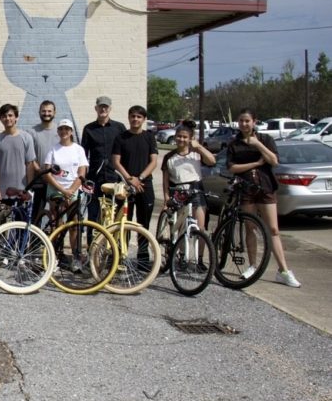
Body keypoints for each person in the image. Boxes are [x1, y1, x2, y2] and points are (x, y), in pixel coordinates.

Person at [226, 108, 301, 288]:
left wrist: (258, 145)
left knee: (273, 229)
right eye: (241, 121)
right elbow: (232, 167)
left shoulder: (266, 139)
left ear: (254, 122)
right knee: (250, 227)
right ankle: (252, 266)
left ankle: (283, 271)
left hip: (265, 187)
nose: (244, 124)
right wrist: (256, 163)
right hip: (245, 188)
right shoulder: (234, 144)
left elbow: (274, 161)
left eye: (247, 121)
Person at [160, 121, 216, 264]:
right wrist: (166, 198)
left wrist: (199, 147)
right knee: (182, 227)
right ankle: (182, 257)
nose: (181, 139)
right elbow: (165, 180)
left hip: (196, 190)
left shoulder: (196, 154)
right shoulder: (169, 157)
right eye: (179, 136)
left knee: (201, 227)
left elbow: (212, 161)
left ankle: (200, 259)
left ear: (190, 138)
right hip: (179, 191)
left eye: (185, 137)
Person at [111, 105, 159, 259]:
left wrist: (141, 178)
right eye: (133, 116)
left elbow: (153, 161)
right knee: (124, 222)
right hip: (126, 185)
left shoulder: (149, 137)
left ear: (144, 119)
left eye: (139, 117)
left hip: (145, 185)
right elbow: (116, 161)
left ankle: (143, 256)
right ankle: (121, 256)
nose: (135, 119)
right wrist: (130, 179)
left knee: (143, 222)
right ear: (129, 118)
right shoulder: (121, 138)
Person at [42, 119, 89, 271]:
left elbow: (82, 172)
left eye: (67, 129)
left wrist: (72, 190)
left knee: (74, 225)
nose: (64, 132)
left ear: (71, 132)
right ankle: (55, 256)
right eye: (61, 129)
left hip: (73, 191)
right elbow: (47, 174)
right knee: (57, 225)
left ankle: (75, 257)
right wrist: (63, 190)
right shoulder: (53, 149)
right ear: (58, 131)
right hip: (56, 190)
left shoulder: (78, 149)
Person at [81, 96, 126, 228]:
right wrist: (83, 177)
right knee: (93, 213)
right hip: (95, 177)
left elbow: (125, 151)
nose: (103, 109)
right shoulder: (88, 129)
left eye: (106, 107)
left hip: (115, 176)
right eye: (101, 106)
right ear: (96, 108)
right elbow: (83, 154)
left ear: (110, 109)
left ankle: (113, 245)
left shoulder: (119, 127)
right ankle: (91, 244)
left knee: (116, 212)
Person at [0, 103, 37, 206]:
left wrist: (29, 188)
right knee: (4, 221)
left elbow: (30, 165)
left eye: (10, 115)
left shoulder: (26, 138)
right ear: (0, 119)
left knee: (21, 222)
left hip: (22, 192)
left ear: (16, 117)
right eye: (4, 116)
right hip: (3, 192)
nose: (7, 118)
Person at [29, 100, 60, 222]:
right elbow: (30, 157)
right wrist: (39, 171)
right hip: (39, 181)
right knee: (37, 214)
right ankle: (36, 241)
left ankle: (56, 242)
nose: (46, 113)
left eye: (49, 111)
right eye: (44, 111)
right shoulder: (32, 132)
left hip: (57, 181)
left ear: (54, 113)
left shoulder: (61, 131)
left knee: (56, 215)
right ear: (39, 112)